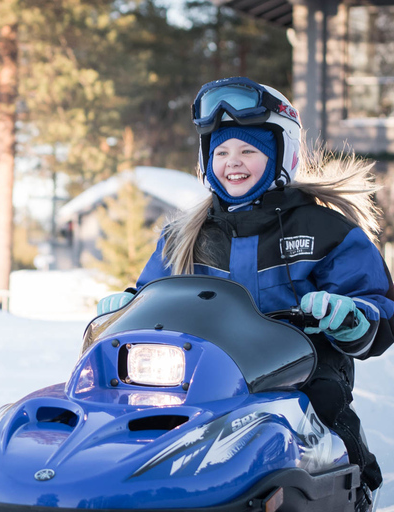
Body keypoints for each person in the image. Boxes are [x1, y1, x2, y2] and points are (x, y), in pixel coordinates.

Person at [97, 76, 394, 511]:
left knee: (324, 407)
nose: (232, 162)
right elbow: (153, 291)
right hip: (201, 374)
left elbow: (375, 305)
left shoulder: (325, 229)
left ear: (280, 154)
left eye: (248, 150)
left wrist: (350, 316)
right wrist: (130, 305)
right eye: (221, 152)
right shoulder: (187, 235)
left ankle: (352, 489)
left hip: (300, 369)